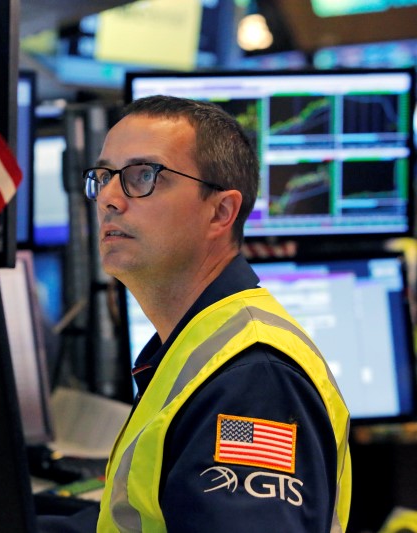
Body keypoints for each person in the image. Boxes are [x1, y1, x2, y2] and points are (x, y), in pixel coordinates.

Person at [38, 95, 352, 532]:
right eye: (104, 176)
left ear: (220, 212)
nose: (109, 197)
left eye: (143, 176)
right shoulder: (197, 343)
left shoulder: (253, 383)